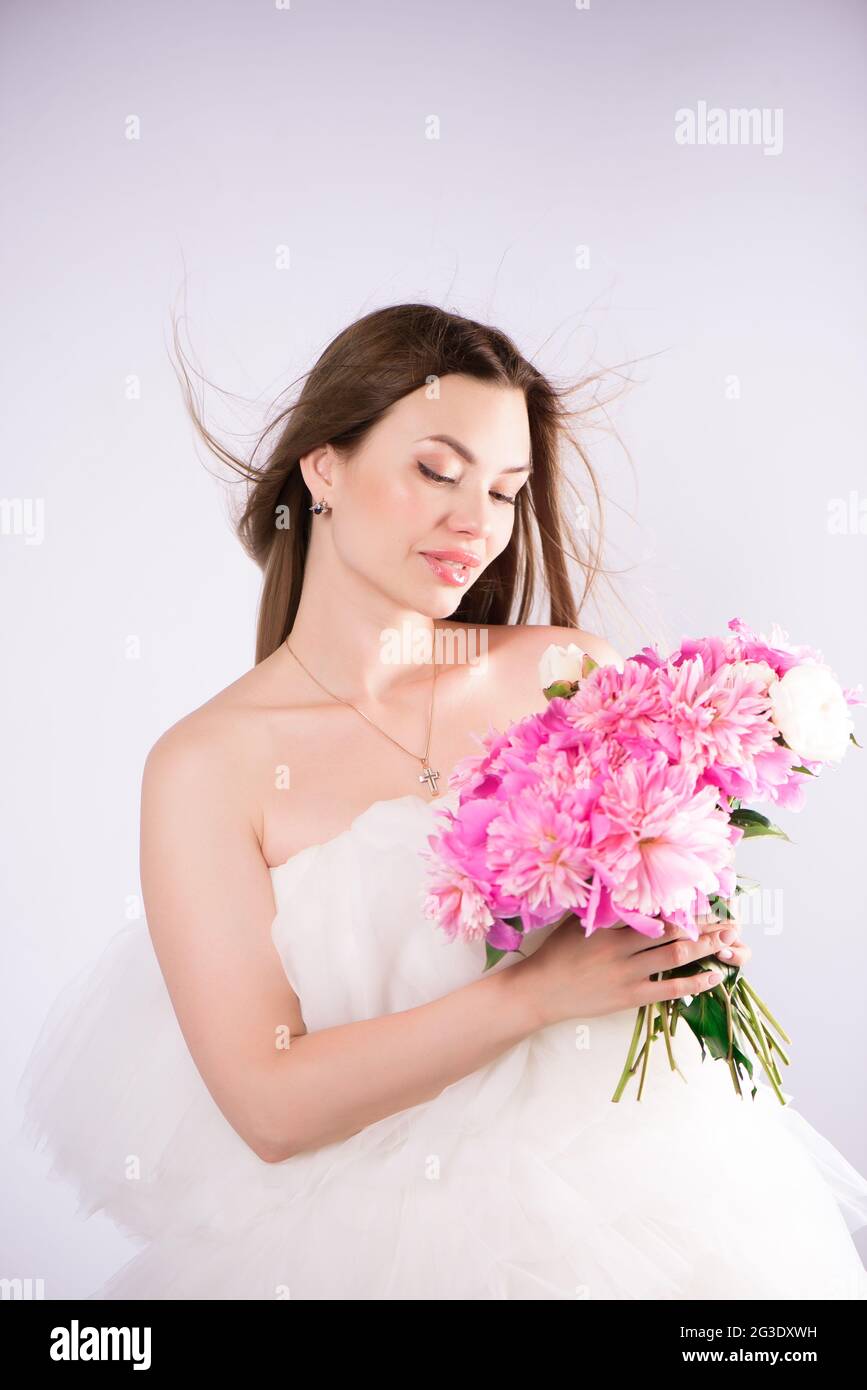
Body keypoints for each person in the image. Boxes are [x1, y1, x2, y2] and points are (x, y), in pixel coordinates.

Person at [16, 304, 867, 1299]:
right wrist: (537, 993)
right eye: (436, 470)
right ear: (323, 467)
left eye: (506, 491)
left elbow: (655, 914)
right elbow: (270, 1103)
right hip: (357, 1254)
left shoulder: (567, 672)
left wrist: (685, 948)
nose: (476, 523)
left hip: (648, 1214)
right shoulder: (208, 766)